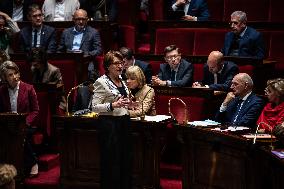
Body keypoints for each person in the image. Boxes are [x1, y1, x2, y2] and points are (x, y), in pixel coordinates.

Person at [91, 51, 134, 189]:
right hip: (110, 126)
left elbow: (122, 101)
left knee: (124, 160)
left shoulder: (122, 79)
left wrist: (130, 104)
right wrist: (112, 105)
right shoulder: (101, 82)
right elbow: (94, 107)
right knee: (112, 162)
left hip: (124, 123)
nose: (120, 66)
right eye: (116, 63)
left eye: (121, 63)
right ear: (108, 66)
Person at [0, 61, 39, 177]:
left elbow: (36, 111)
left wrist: (25, 123)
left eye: (15, 73)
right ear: (4, 78)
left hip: (26, 125)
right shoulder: (1, 91)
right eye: (10, 75)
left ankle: (33, 163)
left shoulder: (29, 88)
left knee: (20, 133)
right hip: (7, 125)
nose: (14, 77)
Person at [58, 9, 102, 80]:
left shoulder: (93, 32)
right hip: (69, 60)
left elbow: (98, 50)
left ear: (87, 19)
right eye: (78, 19)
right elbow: (60, 50)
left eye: (83, 19)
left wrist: (87, 54)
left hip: (85, 61)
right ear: (73, 19)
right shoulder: (66, 32)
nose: (81, 22)